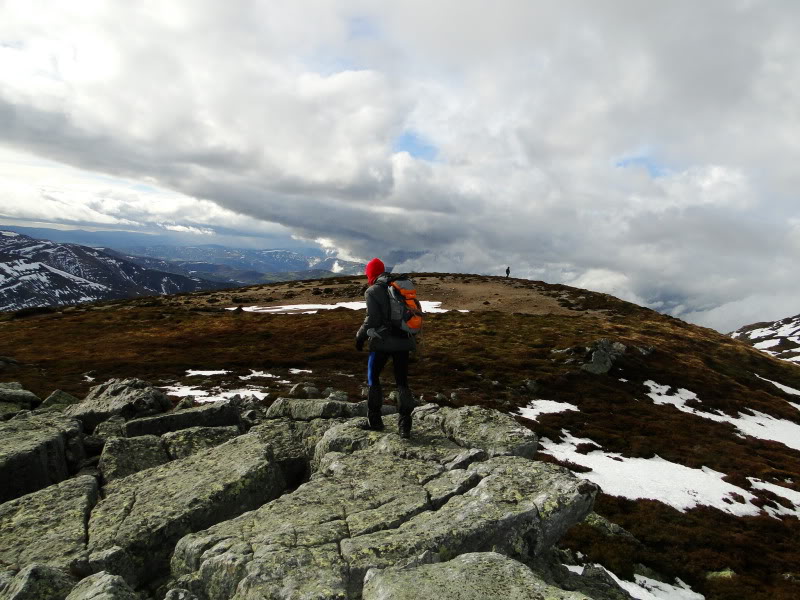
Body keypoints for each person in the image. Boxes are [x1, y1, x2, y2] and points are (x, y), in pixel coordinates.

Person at [355, 257, 416, 438]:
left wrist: (360, 337)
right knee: (402, 382)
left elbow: (371, 320)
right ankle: (405, 427)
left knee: (373, 377)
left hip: (381, 343)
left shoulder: (372, 291)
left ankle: (375, 422)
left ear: (370, 274)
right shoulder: (400, 286)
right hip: (404, 341)